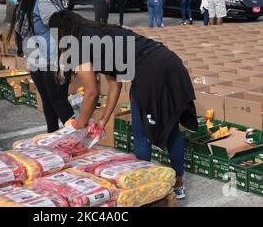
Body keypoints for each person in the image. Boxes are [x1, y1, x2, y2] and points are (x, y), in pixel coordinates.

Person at [49, 10, 198, 200]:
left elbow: (91, 92)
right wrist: (103, 120)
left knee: (141, 134)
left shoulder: (78, 44)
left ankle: (141, 188)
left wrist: (78, 129)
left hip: (151, 73)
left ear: (61, 33)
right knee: (171, 127)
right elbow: (115, 84)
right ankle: (178, 183)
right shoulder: (100, 31)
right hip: (171, 62)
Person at [6, 0, 74, 133]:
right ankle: (52, 133)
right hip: (37, 60)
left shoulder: (42, 3)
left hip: (54, 59)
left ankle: (76, 135)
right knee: (47, 99)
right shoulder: (23, 5)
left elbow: (63, 27)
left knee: (58, 100)